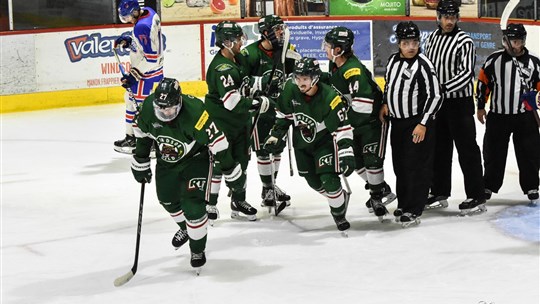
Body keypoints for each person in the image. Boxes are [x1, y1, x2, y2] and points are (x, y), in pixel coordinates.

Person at [131, 77, 243, 271]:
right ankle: (187, 229)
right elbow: (143, 135)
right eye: (162, 108)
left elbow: (219, 143)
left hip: (195, 161)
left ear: (179, 103)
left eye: (170, 109)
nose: (166, 112)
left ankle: (197, 249)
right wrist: (140, 162)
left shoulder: (195, 113)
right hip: (166, 162)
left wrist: (230, 170)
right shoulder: (149, 107)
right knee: (166, 200)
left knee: (193, 207)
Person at [264, 57, 355, 233]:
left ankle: (338, 215)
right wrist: (276, 136)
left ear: (315, 78)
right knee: (313, 181)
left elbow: (342, 127)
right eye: (297, 78)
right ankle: (338, 197)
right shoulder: (290, 90)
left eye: (304, 78)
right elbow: (284, 117)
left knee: (329, 179)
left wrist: (346, 152)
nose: (300, 82)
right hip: (302, 145)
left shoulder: (330, 97)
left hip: (324, 143)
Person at [321, 26, 396, 220]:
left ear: (338, 49)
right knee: (353, 159)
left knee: (371, 160)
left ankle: (377, 195)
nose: (325, 49)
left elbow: (363, 107)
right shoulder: (336, 65)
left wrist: (342, 125)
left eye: (328, 46)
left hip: (371, 122)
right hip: (355, 122)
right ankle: (380, 188)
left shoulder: (352, 70)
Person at [423, 0, 486, 215]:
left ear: (457, 18)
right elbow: (428, 67)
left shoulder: (464, 41)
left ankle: (477, 195)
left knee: (467, 149)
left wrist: (440, 88)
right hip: (438, 104)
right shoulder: (431, 38)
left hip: (458, 103)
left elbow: (466, 74)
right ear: (438, 17)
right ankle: (439, 191)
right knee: (439, 149)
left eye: (453, 17)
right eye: (446, 17)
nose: (449, 21)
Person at [204, 20, 271, 222]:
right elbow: (231, 102)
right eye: (237, 39)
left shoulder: (237, 58)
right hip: (221, 123)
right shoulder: (222, 68)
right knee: (219, 163)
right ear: (226, 42)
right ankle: (210, 203)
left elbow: (245, 80)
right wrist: (257, 102)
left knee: (241, 162)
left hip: (241, 122)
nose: (241, 42)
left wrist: (265, 82)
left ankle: (238, 201)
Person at [379, 21, 443, 227]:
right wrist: (385, 103)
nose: (411, 47)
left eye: (414, 42)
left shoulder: (424, 64)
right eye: (406, 43)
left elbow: (436, 96)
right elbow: (389, 85)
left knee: (417, 166)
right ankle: (405, 202)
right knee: (400, 165)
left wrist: (423, 123)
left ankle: (414, 208)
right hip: (397, 124)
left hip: (416, 123)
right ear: (398, 43)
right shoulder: (392, 61)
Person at [476, 23, 540, 206]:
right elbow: (483, 83)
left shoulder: (535, 62)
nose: (514, 45)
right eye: (511, 40)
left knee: (530, 152)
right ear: (505, 41)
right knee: (493, 153)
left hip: (525, 117)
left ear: (523, 41)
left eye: (518, 41)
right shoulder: (494, 60)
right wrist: (481, 106)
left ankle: (531, 186)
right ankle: (488, 185)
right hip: (498, 115)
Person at [237, 15, 293, 214]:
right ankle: (268, 189)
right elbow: (240, 81)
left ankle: (269, 187)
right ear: (265, 32)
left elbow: (295, 75)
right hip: (259, 109)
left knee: (277, 148)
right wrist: (260, 83)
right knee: (262, 150)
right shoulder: (249, 54)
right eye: (277, 28)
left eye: (281, 28)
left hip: (280, 108)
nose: (281, 32)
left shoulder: (286, 50)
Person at [113, 0, 164, 154]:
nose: (128, 20)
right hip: (154, 72)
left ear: (135, 12)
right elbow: (149, 42)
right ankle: (134, 137)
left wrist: (133, 76)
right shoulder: (148, 11)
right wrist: (131, 42)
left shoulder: (142, 26)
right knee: (132, 102)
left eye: (129, 17)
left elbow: (150, 58)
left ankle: (147, 142)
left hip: (146, 75)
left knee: (140, 108)